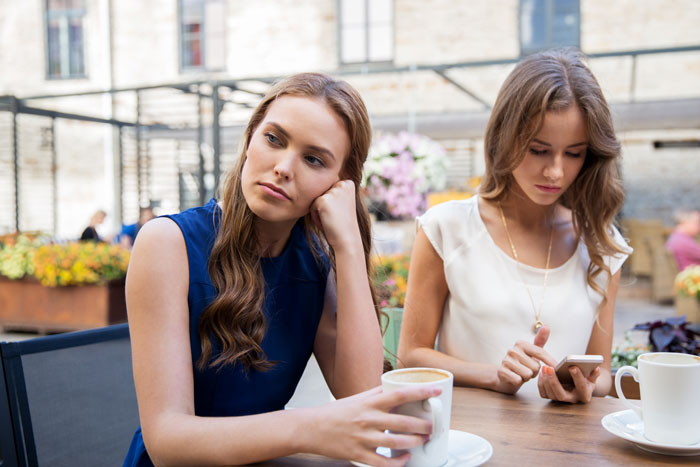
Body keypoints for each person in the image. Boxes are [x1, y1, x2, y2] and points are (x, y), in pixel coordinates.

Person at [124, 73, 437, 467]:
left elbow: (362, 396)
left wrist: (349, 247)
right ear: (251, 137)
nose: (284, 168)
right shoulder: (167, 243)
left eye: (313, 159)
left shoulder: (316, 263)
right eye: (274, 139)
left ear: (339, 185)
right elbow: (167, 441)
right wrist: (310, 428)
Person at [398, 49, 631, 404]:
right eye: (539, 150)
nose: (555, 172)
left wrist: (581, 387)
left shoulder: (602, 244)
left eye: (574, 153)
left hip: (565, 450)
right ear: (506, 137)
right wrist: (494, 375)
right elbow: (411, 355)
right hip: (472, 445)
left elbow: (602, 377)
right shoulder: (446, 228)